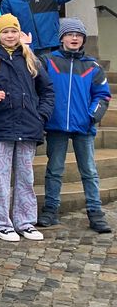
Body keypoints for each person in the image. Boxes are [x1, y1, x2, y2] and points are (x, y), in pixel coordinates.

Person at [0, 15, 54, 242]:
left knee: (25, 178)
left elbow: (47, 91)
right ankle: (1, 223)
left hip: (28, 127)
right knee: (0, 178)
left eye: (13, 31)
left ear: (19, 33)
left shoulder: (32, 59)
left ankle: (25, 221)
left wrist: (41, 115)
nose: (9, 36)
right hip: (0, 128)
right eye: (5, 32)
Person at [39, 18, 112, 233]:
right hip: (56, 125)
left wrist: (91, 116)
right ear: (61, 37)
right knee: (54, 170)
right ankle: (51, 209)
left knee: (89, 171)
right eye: (70, 34)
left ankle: (95, 212)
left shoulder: (93, 66)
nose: (74, 38)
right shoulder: (48, 61)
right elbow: (38, 87)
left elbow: (102, 96)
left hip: (83, 127)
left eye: (78, 35)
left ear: (83, 40)